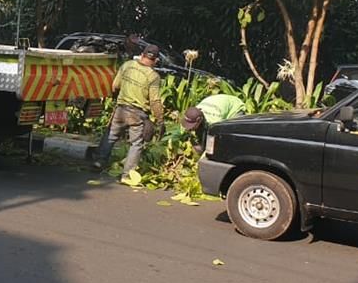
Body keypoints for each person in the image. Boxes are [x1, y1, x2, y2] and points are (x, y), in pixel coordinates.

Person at [93, 43, 163, 181]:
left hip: (121, 109)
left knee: (111, 135)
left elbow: (115, 86)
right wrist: (160, 120)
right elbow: (155, 101)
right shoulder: (153, 76)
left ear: (142, 55)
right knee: (136, 143)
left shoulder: (127, 65)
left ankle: (99, 162)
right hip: (137, 114)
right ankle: (127, 175)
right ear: (155, 60)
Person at [180, 93, 246, 153]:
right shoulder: (196, 110)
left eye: (192, 126)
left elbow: (214, 139)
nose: (190, 128)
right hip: (219, 104)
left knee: (228, 137)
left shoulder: (213, 121)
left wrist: (206, 150)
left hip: (235, 107)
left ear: (199, 120)